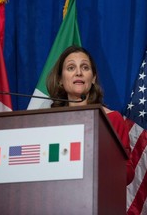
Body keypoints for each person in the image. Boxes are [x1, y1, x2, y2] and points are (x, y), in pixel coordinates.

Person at [47, 45, 135, 185]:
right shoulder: (49, 123)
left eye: (85, 67)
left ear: (93, 78)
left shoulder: (111, 119)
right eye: (71, 68)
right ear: (60, 80)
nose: (78, 73)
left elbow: (127, 173)